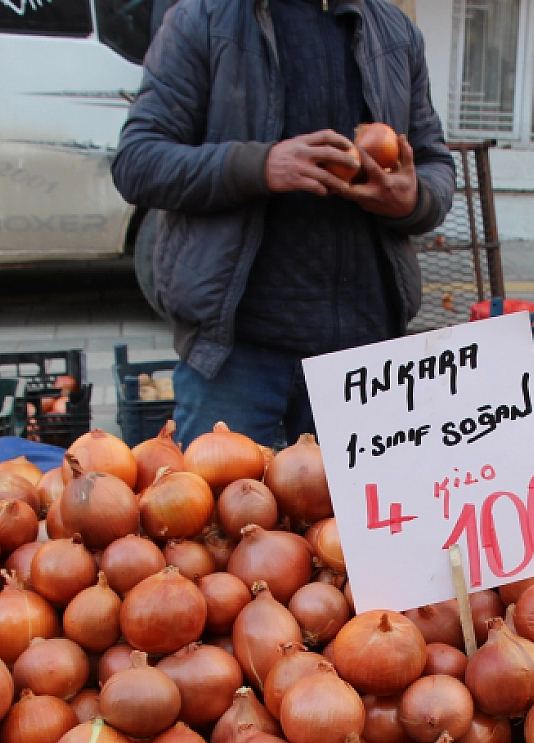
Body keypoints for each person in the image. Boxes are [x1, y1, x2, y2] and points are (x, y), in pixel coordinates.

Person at [111, 0, 454, 447]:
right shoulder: (204, 18)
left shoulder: (395, 33)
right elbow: (137, 162)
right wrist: (259, 166)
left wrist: (413, 198)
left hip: (364, 359)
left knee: (359, 500)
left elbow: (434, 164)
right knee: (223, 493)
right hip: (237, 355)